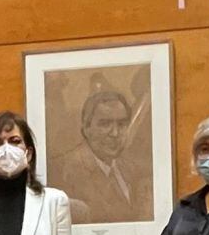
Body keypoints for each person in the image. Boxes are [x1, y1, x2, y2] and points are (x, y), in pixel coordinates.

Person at [49, 90, 151, 224]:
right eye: (105, 124)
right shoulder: (64, 171)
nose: (115, 133)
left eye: (121, 124)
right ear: (86, 128)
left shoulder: (132, 170)